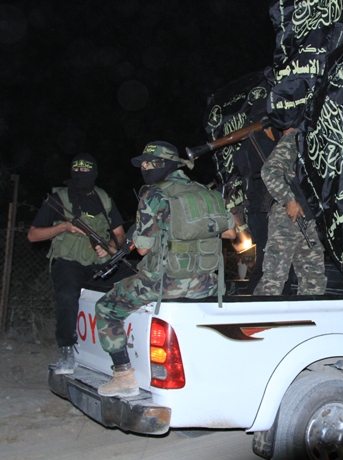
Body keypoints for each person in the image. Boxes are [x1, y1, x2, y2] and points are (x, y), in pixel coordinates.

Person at [95, 141, 236, 397]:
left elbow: (143, 249)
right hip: (207, 283)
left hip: (164, 283)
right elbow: (230, 233)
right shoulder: (206, 192)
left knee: (106, 308)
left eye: (150, 164)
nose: (145, 169)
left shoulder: (153, 194)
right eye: (143, 165)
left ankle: (123, 376)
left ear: (165, 165)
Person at [28, 153, 126, 375]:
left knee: (128, 286)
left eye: (86, 170)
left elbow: (119, 233)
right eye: (77, 170)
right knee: (66, 296)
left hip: (99, 262)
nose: (82, 174)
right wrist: (63, 227)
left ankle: (121, 352)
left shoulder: (104, 199)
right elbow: (33, 235)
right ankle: (66, 350)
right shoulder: (58, 199)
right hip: (69, 261)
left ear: (95, 173)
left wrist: (109, 245)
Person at [253, 127, 327, 296]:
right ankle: (259, 313)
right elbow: (269, 170)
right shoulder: (298, 137)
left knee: (314, 279)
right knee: (274, 277)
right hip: (288, 216)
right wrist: (289, 199)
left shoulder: (325, 137)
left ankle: (309, 313)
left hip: (310, 217)